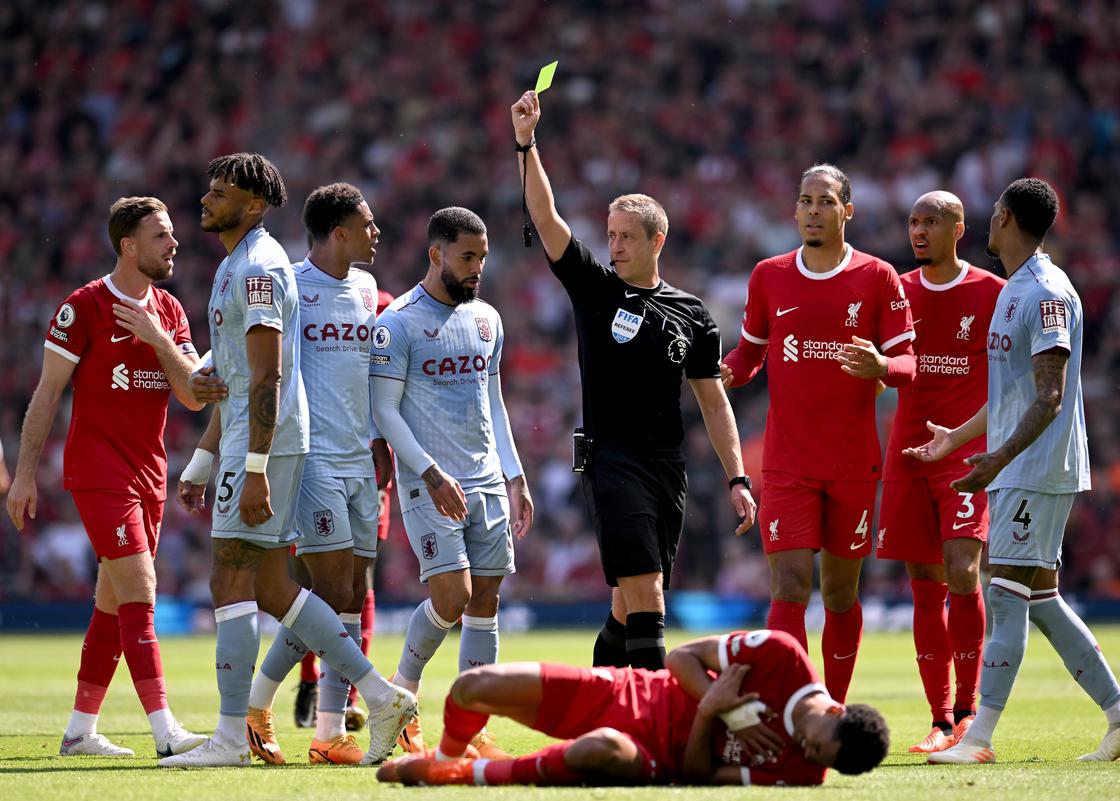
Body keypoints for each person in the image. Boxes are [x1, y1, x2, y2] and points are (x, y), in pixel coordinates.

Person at [161, 154, 415, 768]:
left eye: (221, 192)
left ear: (253, 204)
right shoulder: (241, 265)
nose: (206, 199)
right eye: (209, 187)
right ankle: (375, 697)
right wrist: (203, 461)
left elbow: (269, 377)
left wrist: (250, 465)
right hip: (285, 445)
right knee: (277, 585)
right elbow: (237, 376)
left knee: (238, 578)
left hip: (274, 446)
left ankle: (237, 734)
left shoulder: (259, 269)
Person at [510, 90, 757, 674]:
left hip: (666, 465)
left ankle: (601, 702)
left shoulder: (691, 313)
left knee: (629, 605)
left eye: (626, 236)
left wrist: (737, 477)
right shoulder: (597, 290)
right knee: (647, 594)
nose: (614, 245)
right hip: (611, 460)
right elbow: (545, 217)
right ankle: (654, 721)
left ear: (656, 242)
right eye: (611, 234)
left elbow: (713, 399)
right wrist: (526, 142)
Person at [907, 178, 1120, 764]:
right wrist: (960, 436)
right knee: (1039, 598)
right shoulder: (1013, 289)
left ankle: (977, 739)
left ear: (1004, 217)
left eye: (991, 215)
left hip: (1037, 468)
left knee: (1002, 596)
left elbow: (1049, 397)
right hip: (1016, 467)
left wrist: (999, 456)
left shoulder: (1049, 293)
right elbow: (1013, 391)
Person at [5, 196, 225, 758]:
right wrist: (24, 475)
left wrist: (155, 336)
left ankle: (80, 731)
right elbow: (47, 394)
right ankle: (165, 733)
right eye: (161, 235)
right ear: (129, 246)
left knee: (112, 604)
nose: (174, 243)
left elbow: (191, 397)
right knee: (142, 590)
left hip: (150, 473)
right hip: (99, 472)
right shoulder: (84, 308)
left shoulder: (170, 312)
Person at [721, 164, 916, 702]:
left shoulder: (878, 277)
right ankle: (794, 706)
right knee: (787, 586)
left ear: (847, 210)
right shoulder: (769, 274)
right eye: (805, 201)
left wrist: (882, 365)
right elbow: (751, 352)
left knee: (838, 594)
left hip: (854, 463)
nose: (813, 210)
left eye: (825, 201)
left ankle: (833, 703)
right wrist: (723, 373)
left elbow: (909, 364)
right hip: (787, 463)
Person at [369, 206, 533, 758]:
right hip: (429, 482)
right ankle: (402, 696)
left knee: (485, 600)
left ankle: (470, 728)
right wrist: (430, 471)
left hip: (485, 480)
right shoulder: (397, 323)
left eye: (482, 258)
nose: (477, 268)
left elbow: (493, 400)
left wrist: (514, 474)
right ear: (436, 253)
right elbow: (384, 411)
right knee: (453, 595)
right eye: (468, 257)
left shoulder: (487, 318)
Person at [377, 629, 889, 786]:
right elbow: (683, 656)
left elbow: (697, 777)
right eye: (816, 744)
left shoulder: (804, 773)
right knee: (473, 686)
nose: (805, 752)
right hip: (627, 692)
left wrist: (712, 711)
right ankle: (448, 757)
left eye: (817, 759)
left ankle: (459, 776)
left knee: (599, 750)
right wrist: (728, 712)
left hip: (649, 754)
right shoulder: (782, 655)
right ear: (837, 712)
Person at [878, 191, 1005, 753]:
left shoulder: (992, 294)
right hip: (907, 452)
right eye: (913, 221)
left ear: (959, 228)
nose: (919, 230)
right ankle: (937, 719)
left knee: (961, 571)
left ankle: (969, 713)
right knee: (924, 584)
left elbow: (1011, 378)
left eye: (931, 221)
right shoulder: (898, 291)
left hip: (961, 453)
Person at [295, 282, 398, 734]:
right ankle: (307, 681)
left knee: (362, 575)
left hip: (370, 459)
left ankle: (347, 694)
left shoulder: (385, 307)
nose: (373, 235)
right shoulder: (300, 292)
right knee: (312, 577)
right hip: (317, 457)